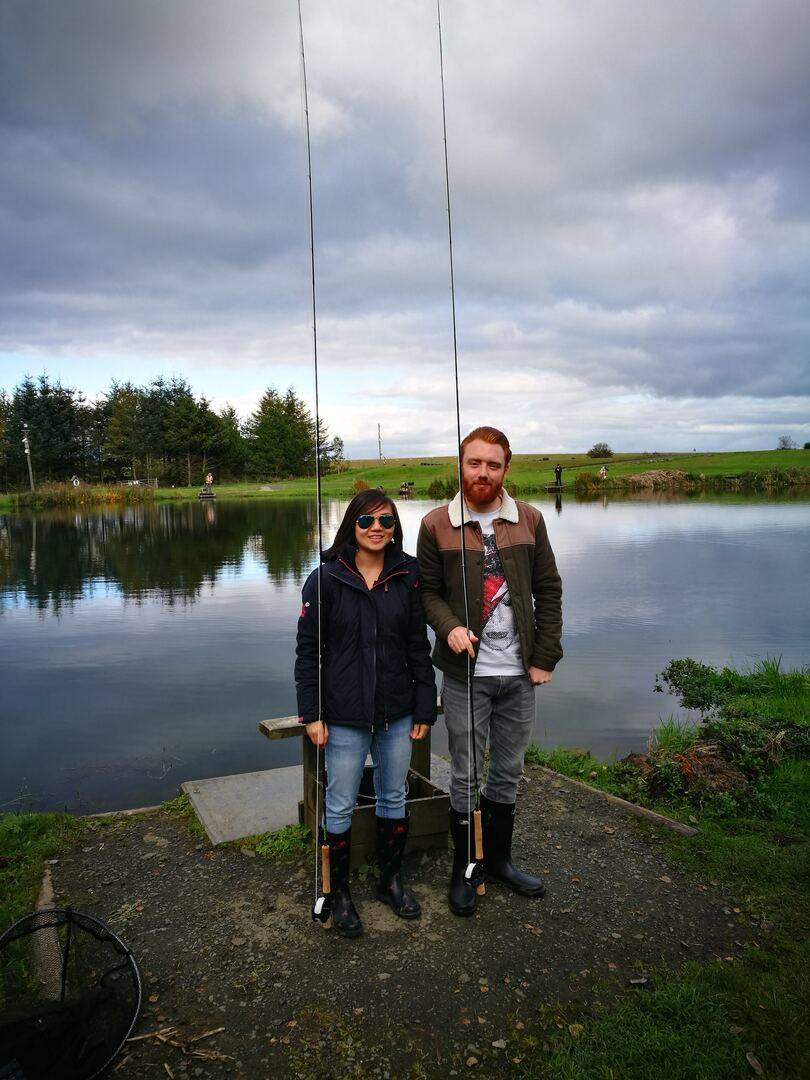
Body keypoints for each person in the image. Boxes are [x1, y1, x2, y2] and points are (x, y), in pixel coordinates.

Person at [417, 427, 562, 917]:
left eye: (493, 465)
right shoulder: (436, 523)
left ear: (506, 469)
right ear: (460, 464)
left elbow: (549, 590)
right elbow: (427, 593)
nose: (483, 473)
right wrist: (451, 628)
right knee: (466, 774)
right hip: (464, 676)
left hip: (519, 675)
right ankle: (465, 868)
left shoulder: (532, 520)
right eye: (474, 463)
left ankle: (499, 861)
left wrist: (544, 657)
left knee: (507, 773)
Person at [295, 489, 436, 937]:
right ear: (351, 526)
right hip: (342, 715)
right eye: (367, 520)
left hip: (396, 711)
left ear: (395, 528)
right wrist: (311, 713)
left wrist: (424, 705)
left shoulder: (408, 574)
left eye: (387, 521)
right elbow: (307, 654)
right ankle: (337, 893)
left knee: (394, 796)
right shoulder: (324, 580)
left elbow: (419, 644)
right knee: (338, 803)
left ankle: (390, 881)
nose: (377, 528)